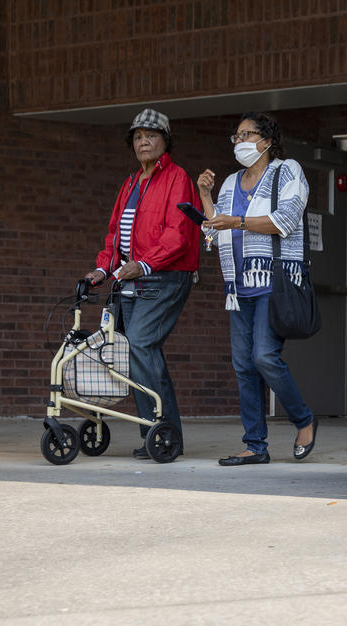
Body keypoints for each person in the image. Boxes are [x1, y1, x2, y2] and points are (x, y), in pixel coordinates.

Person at [197, 111, 318, 466]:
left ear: (267, 140)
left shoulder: (287, 170)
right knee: (243, 367)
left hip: (274, 281)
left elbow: (286, 220)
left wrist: (235, 220)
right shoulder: (231, 182)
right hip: (238, 287)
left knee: (264, 357)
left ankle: (304, 419)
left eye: (247, 134)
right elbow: (215, 232)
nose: (240, 142)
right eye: (236, 136)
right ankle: (255, 445)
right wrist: (205, 196)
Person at [84, 109, 201, 459]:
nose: (143, 141)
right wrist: (103, 270)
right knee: (137, 351)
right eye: (137, 136)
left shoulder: (177, 178)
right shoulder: (131, 183)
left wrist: (146, 264)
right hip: (134, 278)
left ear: (165, 141)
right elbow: (115, 235)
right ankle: (161, 433)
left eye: (151, 135)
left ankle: (160, 432)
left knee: (140, 345)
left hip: (165, 277)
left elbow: (178, 234)